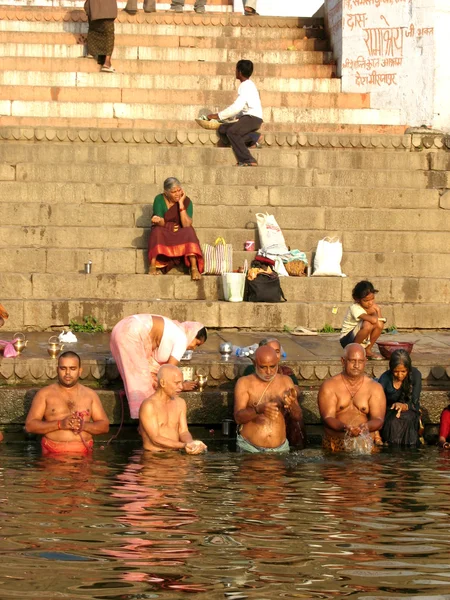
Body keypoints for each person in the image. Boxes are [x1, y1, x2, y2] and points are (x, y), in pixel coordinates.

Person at [110, 314, 207, 418]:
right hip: (131, 332)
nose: (194, 348)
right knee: (142, 385)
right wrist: (181, 386)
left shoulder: (173, 330)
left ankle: (145, 420)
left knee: (142, 377)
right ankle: (145, 421)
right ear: (192, 334)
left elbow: (153, 367)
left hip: (121, 328)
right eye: (196, 343)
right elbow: (167, 374)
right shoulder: (182, 339)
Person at [25, 352, 110, 455]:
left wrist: (83, 425)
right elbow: (30, 426)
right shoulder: (44, 394)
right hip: (52, 457)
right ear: (57, 370)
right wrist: (60, 424)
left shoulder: (90, 395)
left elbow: (104, 426)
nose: (67, 373)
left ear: (80, 371)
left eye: (72, 369)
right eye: (63, 368)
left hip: (83, 456)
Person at [318, 343, 386, 452]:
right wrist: (345, 428)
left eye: (360, 361)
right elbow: (327, 418)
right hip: (335, 444)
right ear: (343, 361)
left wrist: (366, 427)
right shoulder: (329, 386)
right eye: (352, 361)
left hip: (365, 444)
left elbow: (378, 419)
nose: (356, 365)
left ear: (365, 362)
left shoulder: (375, 388)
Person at [234, 346, 303, 453]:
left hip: (280, 449)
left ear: (277, 362)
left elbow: (298, 416)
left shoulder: (286, 381)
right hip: (250, 448)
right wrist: (258, 410)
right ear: (255, 363)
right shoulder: (244, 383)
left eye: (272, 366)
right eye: (263, 367)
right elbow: (238, 418)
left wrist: (292, 405)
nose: (269, 372)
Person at [139, 365, 207, 453]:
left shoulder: (180, 403)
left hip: (176, 453)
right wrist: (184, 445)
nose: (181, 387)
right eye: (177, 383)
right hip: (155, 457)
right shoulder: (149, 405)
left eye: (182, 383)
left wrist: (191, 444)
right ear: (163, 383)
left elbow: (183, 431)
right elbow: (155, 438)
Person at [207, 59, 263, 167]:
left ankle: (248, 159)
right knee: (223, 129)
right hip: (248, 117)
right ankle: (253, 137)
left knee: (233, 132)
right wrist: (231, 118)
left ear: (239, 72)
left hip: (252, 118)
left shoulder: (245, 85)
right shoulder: (248, 85)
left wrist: (218, 116)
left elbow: (237, 106)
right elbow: (243, 108)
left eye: (236, 70)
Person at [148, 177, 204, 281]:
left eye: (179, 190)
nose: (177, 194)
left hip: (180, 231)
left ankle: (193, 267)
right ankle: (153, 265)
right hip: (164, 230)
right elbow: (161, 221)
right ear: (166, 192)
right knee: (156, 231)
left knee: (189, 231)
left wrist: (181, 204)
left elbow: (186, 224)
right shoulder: (159, 199)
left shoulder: (187, 201)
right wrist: (158, 220)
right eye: (174, 192)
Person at [378, 349, 422, 447]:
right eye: (396, 372)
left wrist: (404, 406)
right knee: (393, 422)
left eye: (403, 371)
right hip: (389, 411)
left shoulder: (415, 375)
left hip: (411, 409)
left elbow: (414, 401)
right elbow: (377, 403)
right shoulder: (385, 378)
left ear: (408, 369)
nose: (400, 375)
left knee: (408, 419)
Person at [340, 280, 386, 360]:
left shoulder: (370, 307)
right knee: (368, 324)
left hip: (360, 337)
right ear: (357, 299)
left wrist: (378, 310)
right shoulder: (355, 308)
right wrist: (374, 311)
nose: (370, 303)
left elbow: (380, 322)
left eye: (372, 299)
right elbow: (373, 320)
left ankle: (367, 349)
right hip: (347, 339)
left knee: (380, 324)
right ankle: (353, 351)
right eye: (366, 301)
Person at [84, 0, 118, 72]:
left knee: (93, 29)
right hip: (107, 9)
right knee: (109, 34)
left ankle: (91, 52)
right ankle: (107, 63)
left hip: (93, 8)